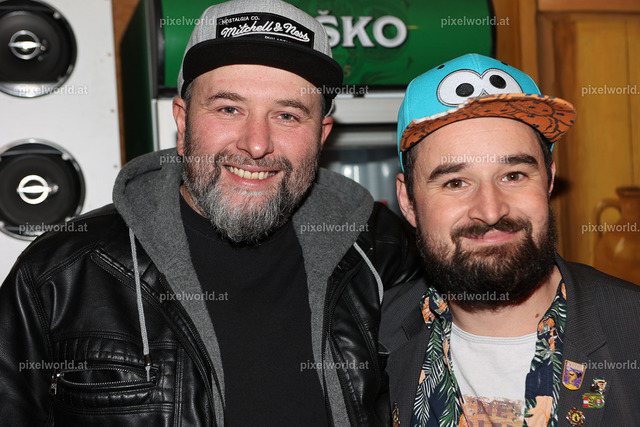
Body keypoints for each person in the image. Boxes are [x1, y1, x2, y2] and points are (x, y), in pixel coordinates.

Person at [0, 0, 421, 424]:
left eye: (287, 115)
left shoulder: (383, 252)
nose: (256, 144)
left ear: (321, 135)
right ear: (183, 123)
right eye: (228, 109)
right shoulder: (59, 275)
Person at [380, 53, 640, 427]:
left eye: (513, 175)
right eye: (456, 182)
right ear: (408, 201)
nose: (490, 211)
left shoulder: (632, 331)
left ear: (549, 179)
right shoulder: (369, 340)